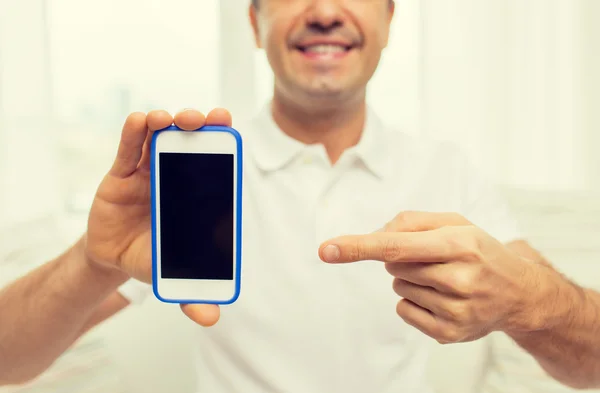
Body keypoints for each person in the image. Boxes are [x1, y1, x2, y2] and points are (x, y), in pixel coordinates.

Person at [1, 0, 599, 391]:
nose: (323, 11)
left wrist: (534, 301)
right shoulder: (194, 182)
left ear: (390, 19)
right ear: (254, 24)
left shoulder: (446, 169)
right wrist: (90, 261)